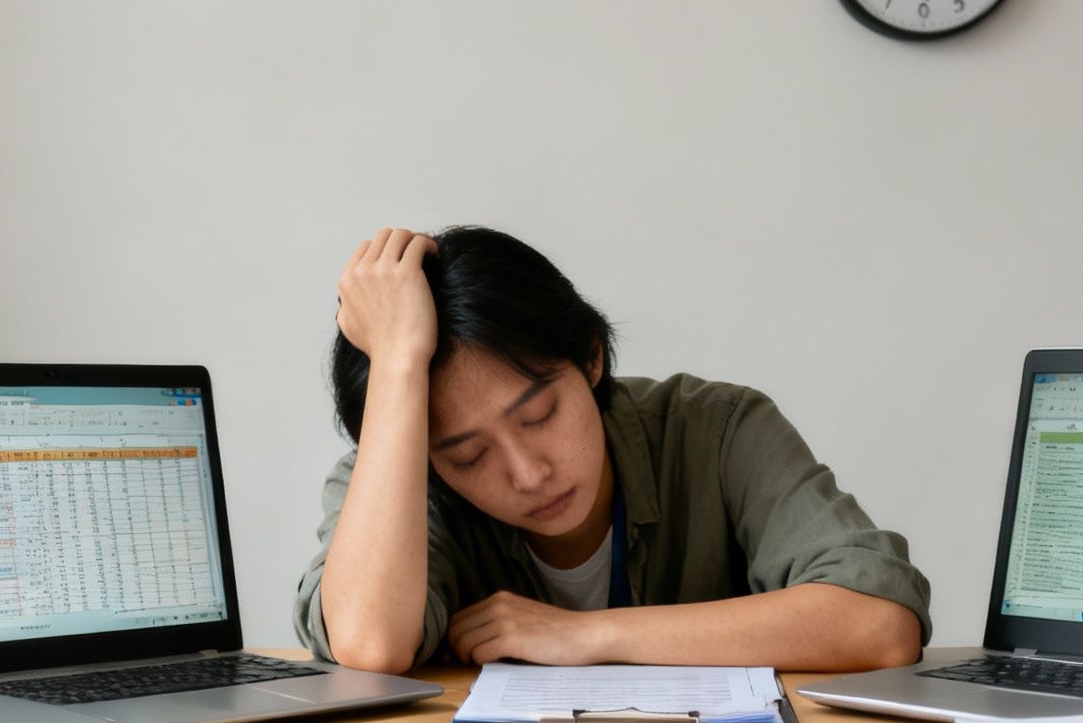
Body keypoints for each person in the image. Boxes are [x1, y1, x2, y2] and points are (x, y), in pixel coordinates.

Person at [293, 226, 931, 676]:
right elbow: (370, 645)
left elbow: (879, 623)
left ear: (592, 357)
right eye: (466, 456)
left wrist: (587, 636)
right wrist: (398, 362)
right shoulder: (392, 482)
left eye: (540, 414)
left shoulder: (717, 430)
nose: (528, 472)